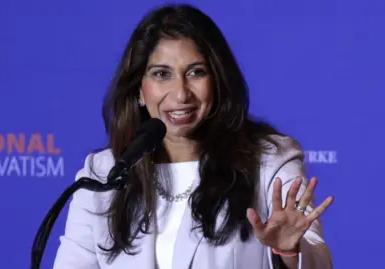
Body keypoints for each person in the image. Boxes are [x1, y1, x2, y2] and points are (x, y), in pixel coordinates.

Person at [52, 3, 334, 269]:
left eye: (196, 72)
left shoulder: (269, 160)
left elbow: (317, 260)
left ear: (218, 80)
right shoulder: (104, 173)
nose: (181, 94)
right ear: (139, 89)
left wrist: (288, 251)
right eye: (162, 74)